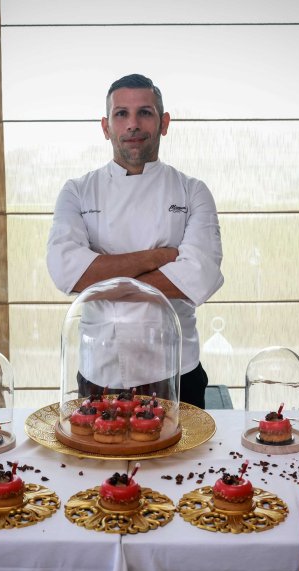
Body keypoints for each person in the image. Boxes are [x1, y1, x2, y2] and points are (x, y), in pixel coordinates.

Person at [46, 73, 224, 408]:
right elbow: (67, 273)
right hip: (100, 372)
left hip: (176, 371)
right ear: (105, 126)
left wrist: (100, 272)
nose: (133, 125)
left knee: (184, 461)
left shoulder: (193, 190)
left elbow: (198, 277)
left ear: (164, 123)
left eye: (145, 112)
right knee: (101, 458)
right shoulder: (77, 191)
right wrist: (156, 257)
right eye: (121, 114)